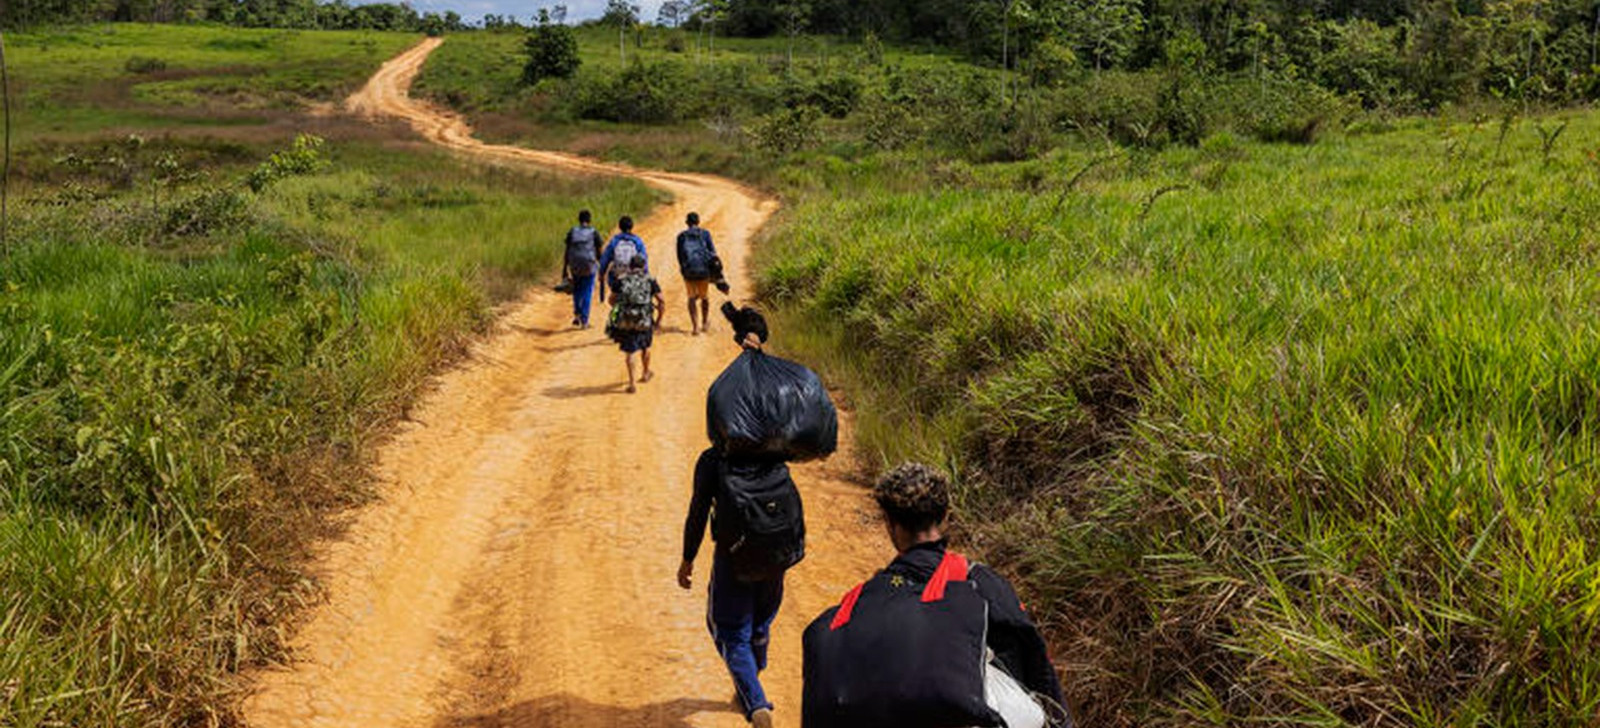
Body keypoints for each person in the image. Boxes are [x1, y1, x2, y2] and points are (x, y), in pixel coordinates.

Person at [802, 463, 1071, 728]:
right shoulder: (978, 583)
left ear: (890, 524)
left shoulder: (856, 603)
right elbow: (1034, 660)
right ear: (946, 517)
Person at [678, 306, 795, 728]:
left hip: (734, 553)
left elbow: (697, 512)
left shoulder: (714, 461)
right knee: (760, 623)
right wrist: (756, 352)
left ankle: (756, 704)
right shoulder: (776, 451)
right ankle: (750, 682)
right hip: (777, 549)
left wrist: (688, 559)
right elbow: (775, 400)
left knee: (729, 629)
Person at [605, 256, 664, 393]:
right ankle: (645, 372)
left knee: (630, 351)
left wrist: (621, 308)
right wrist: (659, 320)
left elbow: (611, 300)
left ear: (630, 266)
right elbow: (661, 301)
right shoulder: (650, 280)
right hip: (645, 320)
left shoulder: (621, 280)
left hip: (626, 321)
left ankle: (632, 383)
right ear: (643, 266)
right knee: (646, 347)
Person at [676, 212, 720, 336]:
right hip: (703, 271)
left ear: (687, 223)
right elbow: (713, 253)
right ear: (698, 222)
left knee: (691, 297)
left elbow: (680, 256)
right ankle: (704, 323)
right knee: (704, 297)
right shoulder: (705, 234)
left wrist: (684, 269)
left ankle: (695, 327)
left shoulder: (681, 236)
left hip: (689, 271)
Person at [561, 209, 603, 328]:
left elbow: (567, 250)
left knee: (577, 289)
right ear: (589, 220)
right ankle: (584, 320)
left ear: (579, 220)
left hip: (575, 265)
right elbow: (599, 250)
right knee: (587, 291)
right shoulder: (594, 232)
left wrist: (564, 268)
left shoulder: (572, 231)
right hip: (589, 266)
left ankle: (577, 314)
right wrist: (600, 264)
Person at [597, 215, 648, 301]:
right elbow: (644, 260)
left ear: (620, 227)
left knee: (614, 298)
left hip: (617, 278)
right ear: (632, 227)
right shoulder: (637, 241)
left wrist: (601, 274)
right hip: (634, 277)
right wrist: (645, 275)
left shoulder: (614, 241)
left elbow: (604, 260)